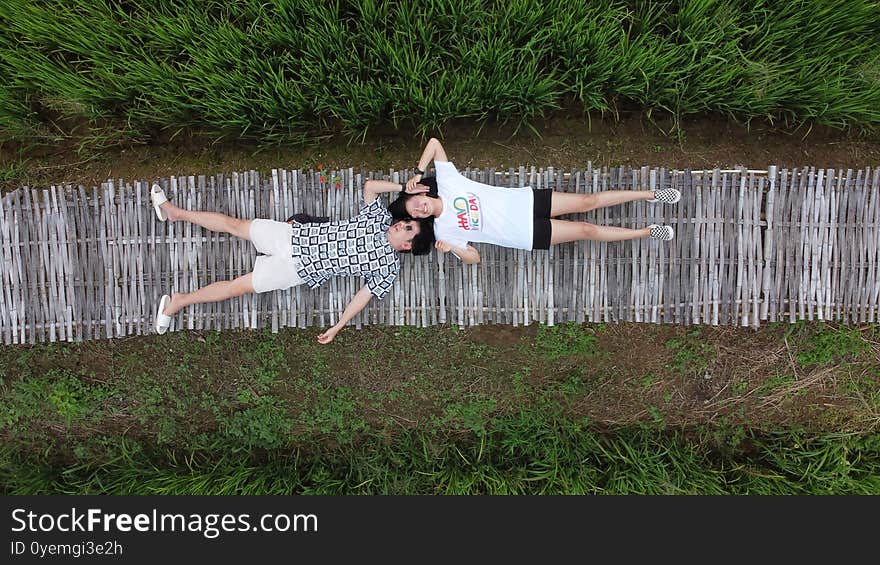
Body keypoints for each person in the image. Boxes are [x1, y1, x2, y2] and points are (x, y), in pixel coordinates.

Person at [150, 179, 434, 344]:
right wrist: (405, 187)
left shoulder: (387, 267)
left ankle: (179, 302)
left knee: (238, 287)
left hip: (295, 270)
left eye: (408, 228)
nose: (402, 225)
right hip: (291, 236)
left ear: (408, 246)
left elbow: (362, 297)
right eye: (406, 222)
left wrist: (338, 326)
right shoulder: (379, 218)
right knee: (234, 225)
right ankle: (175, 213)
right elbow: (370, 187)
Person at [388, 138, 680, 264]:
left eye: (414, 203)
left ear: (421, 192)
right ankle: (646, 231)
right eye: (416, 215)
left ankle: (652, 195)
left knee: (587, 201)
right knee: (586, 230)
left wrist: (417, 172)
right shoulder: (444, 232)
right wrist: (452, 248)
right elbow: (474, 258)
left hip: (526, 202)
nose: (419, 209)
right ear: (421, 222)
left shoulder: (450, 183)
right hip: (524, 234)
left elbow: (435, 143)